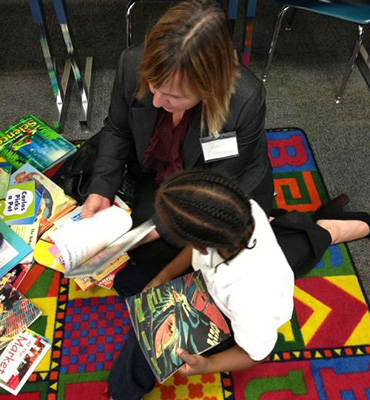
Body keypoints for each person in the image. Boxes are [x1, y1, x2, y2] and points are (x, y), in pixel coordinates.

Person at [104, 169, 370, 400]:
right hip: (212, 282)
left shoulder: (249, 295)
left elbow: (255, 353)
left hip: (229, 314)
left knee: (143, 342)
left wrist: (205, 365)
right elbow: (196, 249)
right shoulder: (243, 209)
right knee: (127, 281)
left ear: (200, 240)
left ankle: (122, 392)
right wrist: (161, 278)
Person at [82, 0, 274, 298]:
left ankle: (313, 228)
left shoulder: (245, 100)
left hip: (225, 186)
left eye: (172, 96)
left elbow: (215, 187)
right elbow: (117, 129)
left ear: (209, 87)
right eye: (153, 85)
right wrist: (101, 190)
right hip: (165, 175)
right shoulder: (132, 63)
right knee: (145, 251)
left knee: (240, 265)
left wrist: (151, 232)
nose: (156, 101)